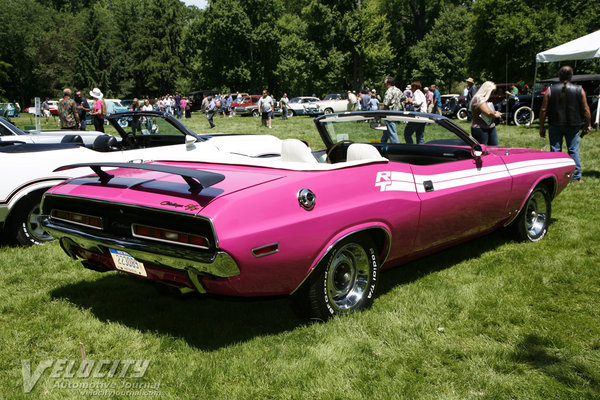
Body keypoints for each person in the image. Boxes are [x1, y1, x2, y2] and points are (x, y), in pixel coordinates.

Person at [538, 65, 591, 183]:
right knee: (573, 150)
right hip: (573, 124)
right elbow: (586, 109)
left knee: (555, 150)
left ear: (559, 75)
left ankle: (556, 176)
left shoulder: (550, 90)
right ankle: (576, 177)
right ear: (571, 75)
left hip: (554, 123)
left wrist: (542, 127)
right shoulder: (579, 89)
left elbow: (543, 110)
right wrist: (588, 124)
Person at [470, 81, 503, 145]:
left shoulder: (483, 99)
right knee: (482, 151)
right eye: (492, 91)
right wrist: (496, 115)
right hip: (480, 129)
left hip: (490, 127)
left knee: (494, 149)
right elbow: (488, 113)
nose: (492, 94)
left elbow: (487, 111)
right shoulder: (478, 99)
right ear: (487, 90)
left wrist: (494, 112)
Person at [381, 76, 403, 143]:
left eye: (385, 82)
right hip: (396, 113)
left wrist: (379, 112)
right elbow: (403, 98)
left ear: (388, 83)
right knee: (386, 131)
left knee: (392, 132)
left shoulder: (389, 91)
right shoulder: (398, 90)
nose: (384, 84)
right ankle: (382, 143)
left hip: (389, 114)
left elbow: (385, 104)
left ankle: (397, 147)